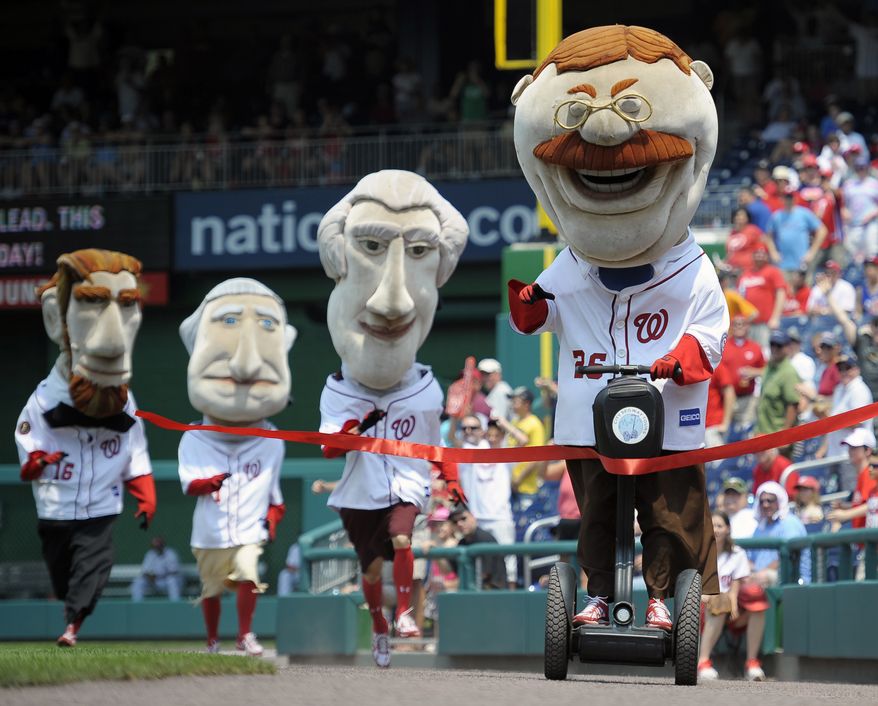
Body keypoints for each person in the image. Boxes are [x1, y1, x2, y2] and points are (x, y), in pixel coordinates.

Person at [508, 25, 726, 632]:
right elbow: (540, 311)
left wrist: (680, 356)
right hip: (589, 408)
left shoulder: (690, 266)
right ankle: (598, 594)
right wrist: (528, 304)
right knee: (597, 510)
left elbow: (710, 329)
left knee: (669, 512)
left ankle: (663, 598)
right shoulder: (572, 263)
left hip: (668, 407)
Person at [316, 170, 468, 669]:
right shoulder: (337, 390)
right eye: (372, 248)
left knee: (404, 536)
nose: (393, 299)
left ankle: (405, 614)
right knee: (370, 568)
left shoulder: (425, 386)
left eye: (420, 251)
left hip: (405, 481)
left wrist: (451, 478)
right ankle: (380, 625)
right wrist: (355, 429)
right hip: (360, 488)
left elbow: (433, 443)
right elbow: (330, 448)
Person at [14, 249, 156, 647]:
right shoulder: (43, 399)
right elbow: (27, 445)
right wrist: (39, 460)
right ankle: (69, 609)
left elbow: (136, 449)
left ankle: (73, 626)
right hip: (56, 504)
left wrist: (145, 494)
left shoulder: (125, 401)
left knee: (94, 566)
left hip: (100, 502)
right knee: (62, 572)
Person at [177, 278, 296, 656]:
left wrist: (274, 516)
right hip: (210, 529)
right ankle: (213, 640)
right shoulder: (193, 437)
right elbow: (188, 484)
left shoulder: (271, 438)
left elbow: (274, 493)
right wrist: (208, 483)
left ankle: (244, 634)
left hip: (247, 526)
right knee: (211, 589)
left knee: (249, 573)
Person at [697, 511, 766, 682]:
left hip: (731, 612)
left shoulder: (737, 553)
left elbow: (736, 584)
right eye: (712, 526)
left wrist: (731, 600)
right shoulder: (698, 552)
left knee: (756, 605)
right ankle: (702, 662)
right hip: (702, 610)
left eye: (720, 526)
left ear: (728, 529)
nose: (716, 530)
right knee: (720, 601)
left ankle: (752, 663)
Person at [456, 415, 516, 588]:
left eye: (496, 435)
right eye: (489, 434)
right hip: (478, 519)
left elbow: (524, 440)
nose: (492, 438)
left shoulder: (507, 454)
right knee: (479, 568)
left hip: (501, 517)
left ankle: (511, 601)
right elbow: (454, 438)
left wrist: (503, 422)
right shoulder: (473, 452)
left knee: (508, 566)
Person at [749, 481, 809, 589]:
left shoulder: (789, 522)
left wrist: (761, 572)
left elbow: (788, 556)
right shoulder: (760, 528)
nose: (765, 505)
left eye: (770, 501)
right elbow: (751, 558)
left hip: (792, 578)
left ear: (779, 501)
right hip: (761, 576)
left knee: (762, 577)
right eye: (762, 501)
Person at [738, 244, 788, 348]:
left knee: (764, 351)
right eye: (757, 253)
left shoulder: (772, 271)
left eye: (763, 253)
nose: (760, 256)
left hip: (765, 323)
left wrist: (775, 317)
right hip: (748, 324)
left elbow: (781, 293)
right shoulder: (745, 274)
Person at [448, 504, 507, 589]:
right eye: (455, 522)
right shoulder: (462, 543)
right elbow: (450, 571)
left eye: (463, 518)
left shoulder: (484, 538)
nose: (459, 524)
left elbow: (484, 575)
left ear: (473, 517)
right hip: (478, 594)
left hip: (494, 594)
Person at [755, 330, 800, 436]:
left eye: (779, 346)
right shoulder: (769, 367)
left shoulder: (788, 372)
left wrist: (784, 434)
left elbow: (793, 405)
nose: (774, 349)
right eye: (772, 344)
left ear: (788, 348)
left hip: (776, 434)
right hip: (763, 430)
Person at [723, 316, 765, 429]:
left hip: (747, 397)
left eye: (743, 324)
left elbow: (766, 370)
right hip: (724, 397)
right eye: (736, 324)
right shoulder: (723, 346)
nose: (739, 326)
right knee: (724, 430)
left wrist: (754, 372)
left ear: (748, 327)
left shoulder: (755, 347)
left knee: (744, 429)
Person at [131, 536, 182, 601]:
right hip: (154, 581)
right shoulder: (150, 554)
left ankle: (175, 604)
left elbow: (174, 572)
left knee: (171, 580)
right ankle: (137, 605)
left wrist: (158, 576)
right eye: (155, 546)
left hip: (166, 581)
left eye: (158, 545)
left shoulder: (171, 553)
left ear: (163, 544)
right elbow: (145, 571)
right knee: (138, 582)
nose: (157, 547)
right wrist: (150, 577)